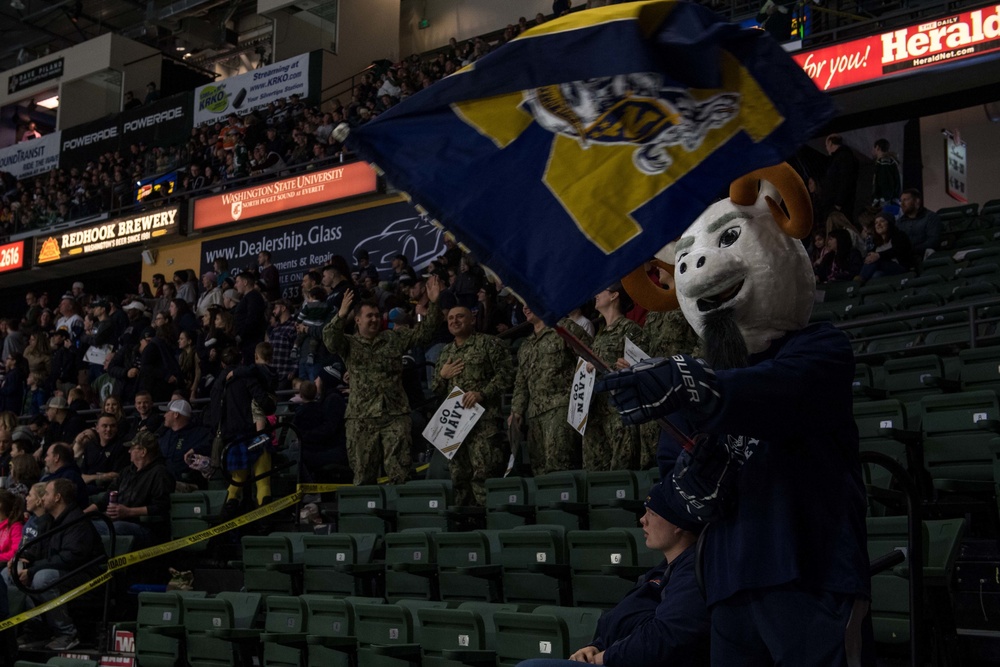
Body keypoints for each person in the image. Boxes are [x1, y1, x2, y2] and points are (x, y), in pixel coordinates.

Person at [595, 166, 871, 665]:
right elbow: (670, 485)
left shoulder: (820, 347)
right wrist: (688, 483)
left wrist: (688, 383)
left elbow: (777, 393)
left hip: (809, 570)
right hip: (723, 583)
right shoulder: (698, 385)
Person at [516, 483, 710, 667]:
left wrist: (606, 656)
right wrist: (595, 647)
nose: (643, 520)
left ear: (677, 524)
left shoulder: (692, 571)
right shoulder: (662, 569)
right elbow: (624, 622)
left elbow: (665, 636)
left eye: (652, 513)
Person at [323, 277, 444, 485]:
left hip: (394, 415)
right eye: (369, 316)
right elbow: (330, 341)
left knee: (400, 474)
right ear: (358, 320)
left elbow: (426, 333)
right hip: (361, 418)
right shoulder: (349, 344)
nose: (374, 320)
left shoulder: (393, 338)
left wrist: (433, 303)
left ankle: (401, 515)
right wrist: (341, 315)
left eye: (377, 316)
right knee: (363, 477)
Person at [432, 306, 514, 506]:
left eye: (460, 316)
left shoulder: (489, 343)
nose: (454, 321)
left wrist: (482, 393)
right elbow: (435, 388)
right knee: (459, 477)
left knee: (484, 475)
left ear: (472, 320)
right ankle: (466, 528)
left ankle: (490, 526)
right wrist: (443, 376)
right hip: (455, 426)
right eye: (450, 317)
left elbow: (507, 374)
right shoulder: (445, 352)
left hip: (483, 424)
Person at [16, 479, 104, 650]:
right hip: (63, 573)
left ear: (57, 497)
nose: (43, 498)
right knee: (10, 574)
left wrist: (33, 570)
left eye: (47, 493)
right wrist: (23, 558)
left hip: (87, 578)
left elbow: (70, 558)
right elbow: (37, 549)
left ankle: (67, 633)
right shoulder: (49, 520)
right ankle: (35, 629)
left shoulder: (78, 522)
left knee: (42, 578)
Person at [509, 305, 591, 475]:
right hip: (534, 416)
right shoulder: (526, 345)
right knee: (539, 469)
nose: (525, 308)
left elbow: (589, 358)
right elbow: (521, 384)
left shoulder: (564, 328)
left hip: (562, 409)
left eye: (529, 302)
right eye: (522, 304)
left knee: (560, 466)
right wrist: (516, 411)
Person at [584, 282, 647, 471]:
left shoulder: (630, 329)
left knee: (621, 472)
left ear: (614, 296)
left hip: (619, 413)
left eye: (601, 290)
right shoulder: (600, 335)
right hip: (598, 412)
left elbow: (640, 367)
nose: (596, 294)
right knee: (597, 474)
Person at [86, 431, 174, 549]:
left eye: (132, 448)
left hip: (147, 528)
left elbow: (161, 507)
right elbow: (106, 499)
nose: (129, 451)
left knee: (114, 528)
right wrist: (82, 515)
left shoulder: (160, 473)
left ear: (143, 452)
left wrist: (128, 512)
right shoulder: (127, 472)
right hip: (120, 522)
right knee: (84, 524)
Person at [220, 343, 277, 514]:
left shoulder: (224, 382)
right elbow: (265, 403)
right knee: (263, 481)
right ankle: (264, 519)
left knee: (237, 480)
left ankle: (228, 515)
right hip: (254, 436)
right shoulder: (254, 376)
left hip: (235, 437)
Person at [157, 399, 211, 485]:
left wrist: (195, 450)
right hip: (164, 481)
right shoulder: (164, 435)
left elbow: (211, 443)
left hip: (186, 483)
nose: (164, 415)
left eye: (167, 412)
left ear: (176, 414)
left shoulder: (200, 434)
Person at [860, 211, 914, 281]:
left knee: (875, 261)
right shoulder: (875, 241)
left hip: (900, 267)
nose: (878, 224)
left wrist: (878, 255)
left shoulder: (900, 235)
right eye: (876, 223)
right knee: (876, 275)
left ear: (889, 223)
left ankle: (858, 281)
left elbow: (898, 250)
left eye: (882, 221)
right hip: (883, 271)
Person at [897, 188, 942, 257]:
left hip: (924, 255)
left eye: (906, 200)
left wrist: (912, 250)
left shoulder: (931, 217)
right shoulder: (899, 222)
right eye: (901, 201)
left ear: (917, 201)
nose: (902, 204)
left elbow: (933, 241)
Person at [871, 138, 901, 206]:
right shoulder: (891, 161)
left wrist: (881, 198)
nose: (873, 150)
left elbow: (885, 180)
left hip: (885, 200)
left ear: (878, 147)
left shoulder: (884, 162)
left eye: (874, 148)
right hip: (890, 199)